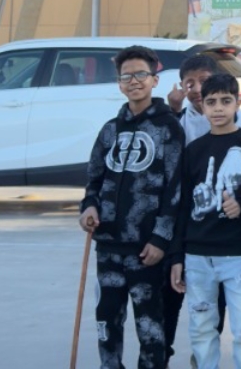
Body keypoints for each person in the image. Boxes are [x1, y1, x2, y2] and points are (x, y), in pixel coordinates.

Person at [79, 45, 184, 369]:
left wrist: (160, 239)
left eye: (141, 74)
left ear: (154, 79)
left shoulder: (169, 129)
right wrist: (89, 207)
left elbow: (175, 190)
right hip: (108, 246)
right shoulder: (110, 130)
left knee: (150, 327)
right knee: (106, 321)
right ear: (119, 83)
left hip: (146, 250)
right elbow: (94, 180)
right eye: (127, 76)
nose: (134, 81)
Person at [170, 73, 241, 369]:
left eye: (226, 100)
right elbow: (181, 208)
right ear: (202, 106)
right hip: (197, 256)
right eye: (211, 102)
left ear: (238, 102)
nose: (219, 108)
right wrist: (176, 256)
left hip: (237, 254)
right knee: (201, 328)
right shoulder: (193, 151)